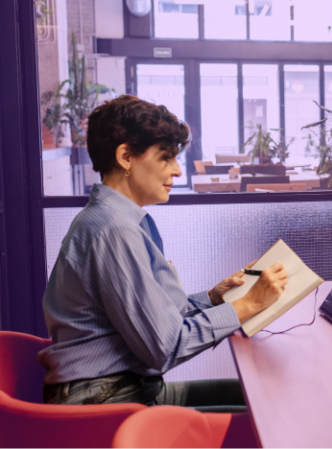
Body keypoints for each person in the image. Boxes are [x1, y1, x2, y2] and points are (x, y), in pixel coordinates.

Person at [38, 95, 289, 408]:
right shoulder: (115, 230)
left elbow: (154, 318)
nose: (177, 171)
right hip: (103, 400)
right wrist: (248, 304)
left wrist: (212, 298)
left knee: (265, 396)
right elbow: (166, 347)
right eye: (166, 158)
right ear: (126, 156)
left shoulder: (119, 220)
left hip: (120, 387)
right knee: (267, 413)